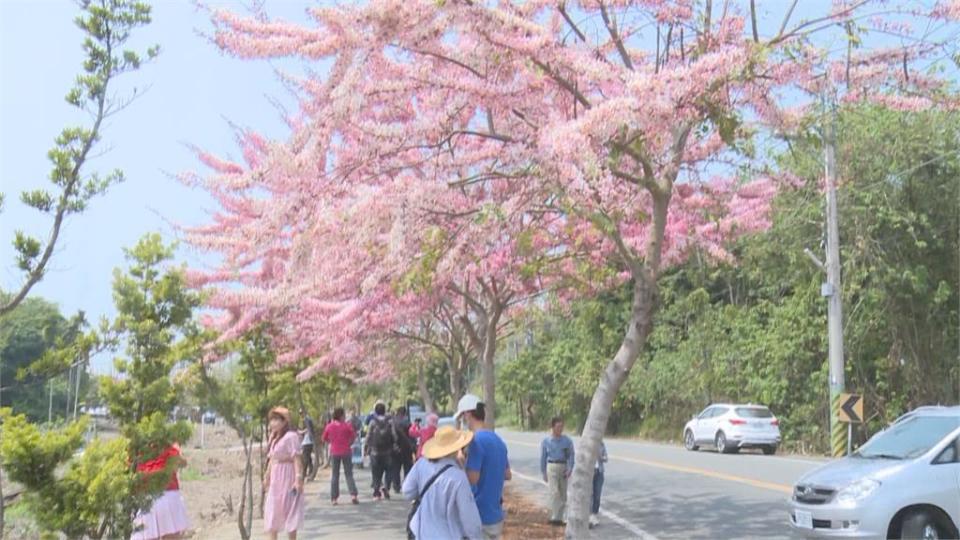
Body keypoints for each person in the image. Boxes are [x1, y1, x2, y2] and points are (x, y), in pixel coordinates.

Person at [402, 426, 483, 540]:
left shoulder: (421, 464)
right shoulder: (458, 477)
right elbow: (469, 517)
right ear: (457, 448)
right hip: (447, 534)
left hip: (421, 532)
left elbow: (407, 491)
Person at [455, 394, 511, 540]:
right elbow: (507, 474)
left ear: (468, 414)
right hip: (496, 514)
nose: (463, 421)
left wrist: (461, 461)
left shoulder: (476, 441)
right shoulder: (498, 441)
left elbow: (473, 478)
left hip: (479, 515)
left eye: (462, 417)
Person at [131, 443, 190, 540]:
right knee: (172, 535)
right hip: (170, 497)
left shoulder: (137, 446)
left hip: (147, 498)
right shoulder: (168, 443)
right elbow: (182, 463)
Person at [264, 407, 305, 540]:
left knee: (290, 510)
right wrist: (267, 475)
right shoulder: (274, 437)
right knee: (272, 511)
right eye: (272, 420)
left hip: (288, 477)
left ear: (285, 421)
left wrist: (298, 479)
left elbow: (296, 458)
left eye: (276, 419)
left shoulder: (291, 437)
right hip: (276, 478)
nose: (273, 423)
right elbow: (272, 458)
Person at [540, 416, 574, 526]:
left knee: (563, 493)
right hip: (551, 466)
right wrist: (543, 472)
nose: (560, 429)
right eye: (558, 426)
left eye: (562, 427)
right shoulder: (546, 441)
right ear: (553, 427)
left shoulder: (567, 441)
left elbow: (571, 456)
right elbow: (543, 457)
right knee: (554, 492)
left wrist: (569, 469)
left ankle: (560, 518)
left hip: (563, 466)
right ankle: (554, 516)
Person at [322, 407, 359, 505]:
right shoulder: (347, 426)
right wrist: (349, 443)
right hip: (346, 451)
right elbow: (353, 436)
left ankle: (334, 498)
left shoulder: (329, 426)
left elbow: (324, 438)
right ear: (341, 416)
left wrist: (332, 442)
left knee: (335, 475)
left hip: (334, 452)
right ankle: (353, 495)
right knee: (349, 474)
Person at [364, 402, 396, 500]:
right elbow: (394, 435)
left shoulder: (373, 422)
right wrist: (394, 444)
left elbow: (368, 436)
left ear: (376, 412)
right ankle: (386, 487)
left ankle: (376, 493)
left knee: (376, 472)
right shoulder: (390, 422)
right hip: (387, 451)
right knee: (389, 471)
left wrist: (366, 448)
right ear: (384, 410)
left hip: (375, 452)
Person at [389, 406, 416, 493]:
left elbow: (389, 436)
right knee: (407, 468)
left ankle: (396, 486)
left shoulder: (392, 423)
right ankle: (407, 485)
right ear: (404, 413)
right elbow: (412, 436)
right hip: (407, 449)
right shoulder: (408, 423)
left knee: (395, 468)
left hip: (395, 448)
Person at [590, 440, 609, 529]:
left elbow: (606, 458)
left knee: (597, 495)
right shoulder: (588, 443)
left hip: (599, 472)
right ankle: (589, 515)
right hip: (590, 472)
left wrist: (601, 457)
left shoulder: (601, 444)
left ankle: (594, 514)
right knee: (590, 494)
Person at [298, 408, 317, 481]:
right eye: (300, 413)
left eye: (302, 413)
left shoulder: (307, 419)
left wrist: (301, 432)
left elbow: (309, 430)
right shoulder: (305, 420)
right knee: (308, 458)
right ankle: (310, 471)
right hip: (306, 442)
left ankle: (304, 473)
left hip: (307, 442)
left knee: (305, 458)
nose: (301, 414)